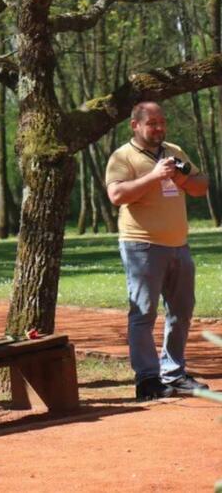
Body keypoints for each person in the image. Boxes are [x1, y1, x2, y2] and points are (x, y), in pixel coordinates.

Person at [105, 101, 210, 400]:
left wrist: (180, 178)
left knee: (181, 311)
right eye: (152, 123)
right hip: (142, 245)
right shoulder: (122, 157)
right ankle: (148, 379)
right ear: (135, 125)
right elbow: (116, 195)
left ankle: (174, 374)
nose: (159, 128)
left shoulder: (174, 150)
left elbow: (201, 186)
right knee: (143, 312)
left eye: (162, 122)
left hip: (179, 244)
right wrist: (153, 176)